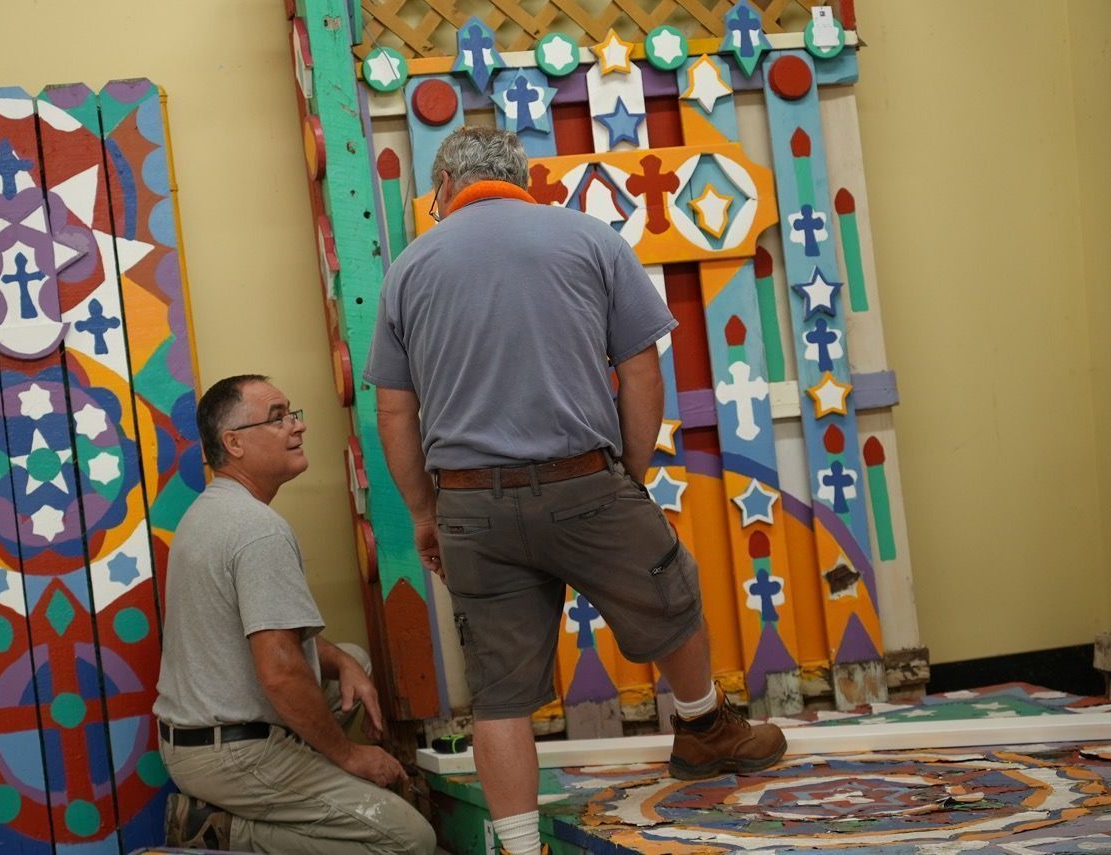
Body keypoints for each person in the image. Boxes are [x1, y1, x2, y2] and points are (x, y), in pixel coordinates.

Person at [364, 127, 787, 855]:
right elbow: (641, 371)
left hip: (470, 505)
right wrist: (627, 474)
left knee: (499, 695)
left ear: (445, 187)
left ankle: (520, 848)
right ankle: (703, 726)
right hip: (583, 481)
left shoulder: (409, 269)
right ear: (522, 179)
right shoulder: (589, 238)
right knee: (672, 595)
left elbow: (395, 413)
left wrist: (425, 513)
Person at [153, 374, 436, 854]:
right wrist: (350, 757)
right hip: (233, 756)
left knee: (353, 659)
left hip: (192, 743)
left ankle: (294, 795)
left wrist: (342, 663)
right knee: (410, 840)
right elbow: (281, 672)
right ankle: (228, 833)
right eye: (278, 417)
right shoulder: (258, 530)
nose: (297, 426)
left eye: (292, 414)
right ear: (234, 443)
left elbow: (268, 633)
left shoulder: (212, 511)